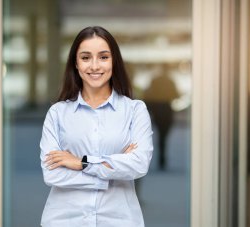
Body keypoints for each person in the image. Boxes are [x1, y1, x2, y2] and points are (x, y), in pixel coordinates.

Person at [39, 26, 153, 227]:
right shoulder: (57, 113)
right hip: (64, 220)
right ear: (76, 63)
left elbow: (139, 164)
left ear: (113, 61)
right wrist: (113, 169)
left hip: (119, 220)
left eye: (103, 57)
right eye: (85, 57)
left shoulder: (135, 111)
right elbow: (51, 174)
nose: (94, 66)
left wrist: (81, 163)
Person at [143, 64, 180, 170]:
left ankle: (161, 158)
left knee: (161, 135)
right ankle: (162, 158)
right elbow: (176, 94)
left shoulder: (155, 81)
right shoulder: (169, 81)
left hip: (157, 109)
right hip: (166, 108)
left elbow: (147, 95)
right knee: (164, 134)